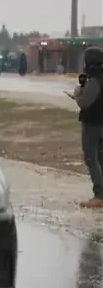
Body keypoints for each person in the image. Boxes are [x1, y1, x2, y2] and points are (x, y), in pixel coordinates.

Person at [71, 46, 103, 208]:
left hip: (92, 124)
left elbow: (84, 102)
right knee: (100, 158)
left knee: (91, 158)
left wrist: (77, 92)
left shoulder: (95, 81)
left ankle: (99, 194)